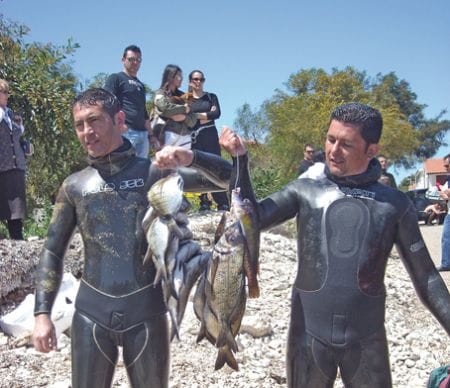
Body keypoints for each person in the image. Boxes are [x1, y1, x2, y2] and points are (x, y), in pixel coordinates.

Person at [220, 102, 450, 388]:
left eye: (346, 144)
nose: (333, 151)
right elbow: (249, 218)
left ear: (371, 150)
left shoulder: (394, 204)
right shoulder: (305, 190)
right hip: (308, 338)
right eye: (330, 139)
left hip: (367, 341)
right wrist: (240, 160)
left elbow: (427, 276)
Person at [32, 88, 232, 388]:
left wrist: (192, 156)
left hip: (146, 312)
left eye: (95, 120)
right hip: (90, 315)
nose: (87, 131)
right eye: (79, 124)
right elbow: (52, 251)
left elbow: (228, 180)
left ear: (120, 119)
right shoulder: (74, 186)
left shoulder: (155, 172)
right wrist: (42, 313)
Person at [188, 69, 229, 211]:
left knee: (215, 167)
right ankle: (204, 201)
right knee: (198, 169)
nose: (198, 82)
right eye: (195, 79)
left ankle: (222, 202)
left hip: (210, 137)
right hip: (194, 138)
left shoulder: (211, 97)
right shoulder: (187, 100)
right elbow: (186, 117)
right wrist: (206, 115)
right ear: (190, 82)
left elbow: (216, 113)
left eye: (201, 79)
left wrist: (197, 116)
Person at [104, 45, 151, 158]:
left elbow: (144, 112)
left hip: (143, 134)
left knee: (141, 171)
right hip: (126, 132)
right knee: (125, 170)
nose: (135, 62)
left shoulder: (141, 85)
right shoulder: (116, 78)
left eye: (138, 60)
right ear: (123, 60)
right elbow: (107, 103)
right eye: (131, 59)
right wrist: (119, 125)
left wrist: (151, 134)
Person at [0, 79, 27, 240]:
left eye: (6, 92)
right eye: (3, 92)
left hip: (17, 166)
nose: (5, 95)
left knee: (16, 208)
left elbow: (17, 136)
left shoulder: (12, 115)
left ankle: (18, 242)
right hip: (1, 167)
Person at [152, 64, 197, 148]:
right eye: (179, 77)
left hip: (185, 137)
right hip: (166, 135)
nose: (181, 79)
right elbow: (165, 108)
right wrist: (183, 109)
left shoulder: (184, 96)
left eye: (182, 77)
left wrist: (184, 117)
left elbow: (193, 119)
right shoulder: (161, 93)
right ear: (171, 77)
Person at [438, 153, 450, 271]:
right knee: (446, 238)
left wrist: (446, 192)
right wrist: (443, 193)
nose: (445, 168)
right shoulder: (448, 179)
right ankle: (446, 264)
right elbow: (443, 193)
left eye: (447, 166)